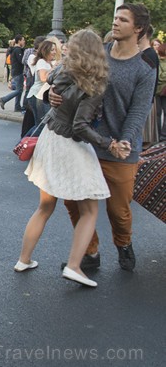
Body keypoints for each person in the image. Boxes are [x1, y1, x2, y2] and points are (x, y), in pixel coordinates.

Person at [53, 3, 156, 273]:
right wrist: (49, 95)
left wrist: (124, 141)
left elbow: (139, 110)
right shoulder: (100, 53)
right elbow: (67, 80)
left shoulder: (145, 67)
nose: (115, 22)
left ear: (138, 28)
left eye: (123, 19)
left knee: (118, 211)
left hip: (120, 148)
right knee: (74, 202)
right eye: (115, 17)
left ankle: (123, 243)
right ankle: (90, 252)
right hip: (85, 142)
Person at [16, 29, 119, 288]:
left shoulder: (61, 71)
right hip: (69, 145)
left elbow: (47, 82)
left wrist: (50, 93)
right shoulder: (93, 84)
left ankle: (23, 259)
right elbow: (80, 128)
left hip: (50, 139)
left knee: (44, 206)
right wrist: (109, 144)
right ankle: (74, 266)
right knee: (91, 209)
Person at [26, 40, 57, 128]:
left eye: (55, 50)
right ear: (45, 50)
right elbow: (43, 78)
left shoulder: (49, 62)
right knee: (41, 126)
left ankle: (27, 140)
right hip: (37, 95)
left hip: (42, 95)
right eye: (52, 50)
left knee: (40, 125)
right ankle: (27, 141)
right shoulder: (41, 62)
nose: (54, 52)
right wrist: (54, 68)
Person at [0, 35, 26, 112]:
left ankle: (17, 107)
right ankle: (4, 99)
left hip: (15, 72)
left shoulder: (14, 49)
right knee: (19, 90)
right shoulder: (17, 50)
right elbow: (21, 61)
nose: (24, 42)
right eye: (23, 40)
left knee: (18, 89)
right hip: (18, 72)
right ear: (19, 41)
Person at [158, 41, 166, 142]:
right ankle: (159, 134)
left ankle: (164, 135)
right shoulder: (159, 61)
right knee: (158, 113)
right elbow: (160, 76)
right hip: (160, 91)